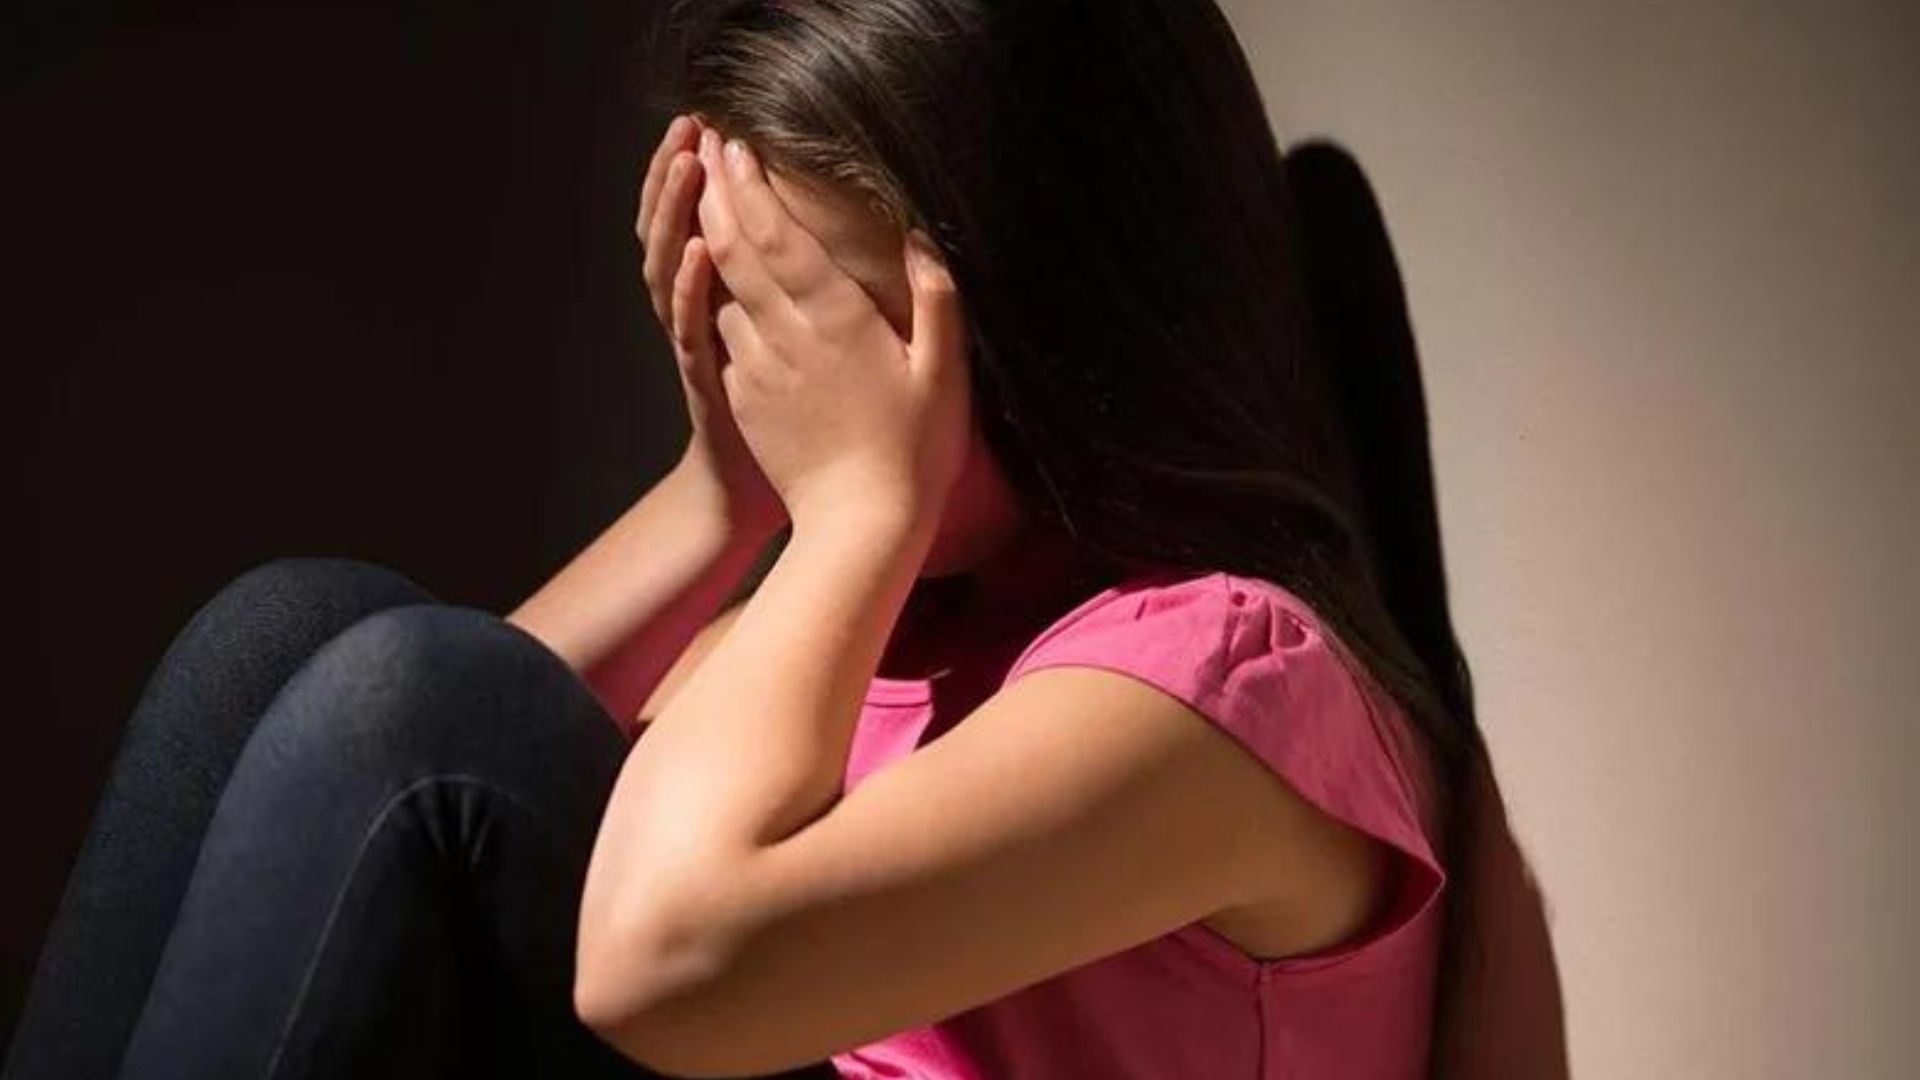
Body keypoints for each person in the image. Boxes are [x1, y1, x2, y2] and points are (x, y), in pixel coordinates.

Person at [6, 1, 1491, 1077]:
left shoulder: (1222, 698)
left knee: (406, 695)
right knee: (286, 632)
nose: (783, 367)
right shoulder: (897, 631)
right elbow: (362, 835)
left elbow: (654, 958)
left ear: (1059, 313)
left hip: (694, 993)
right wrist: (725, 495)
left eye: (825, 316)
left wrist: (855, 508)